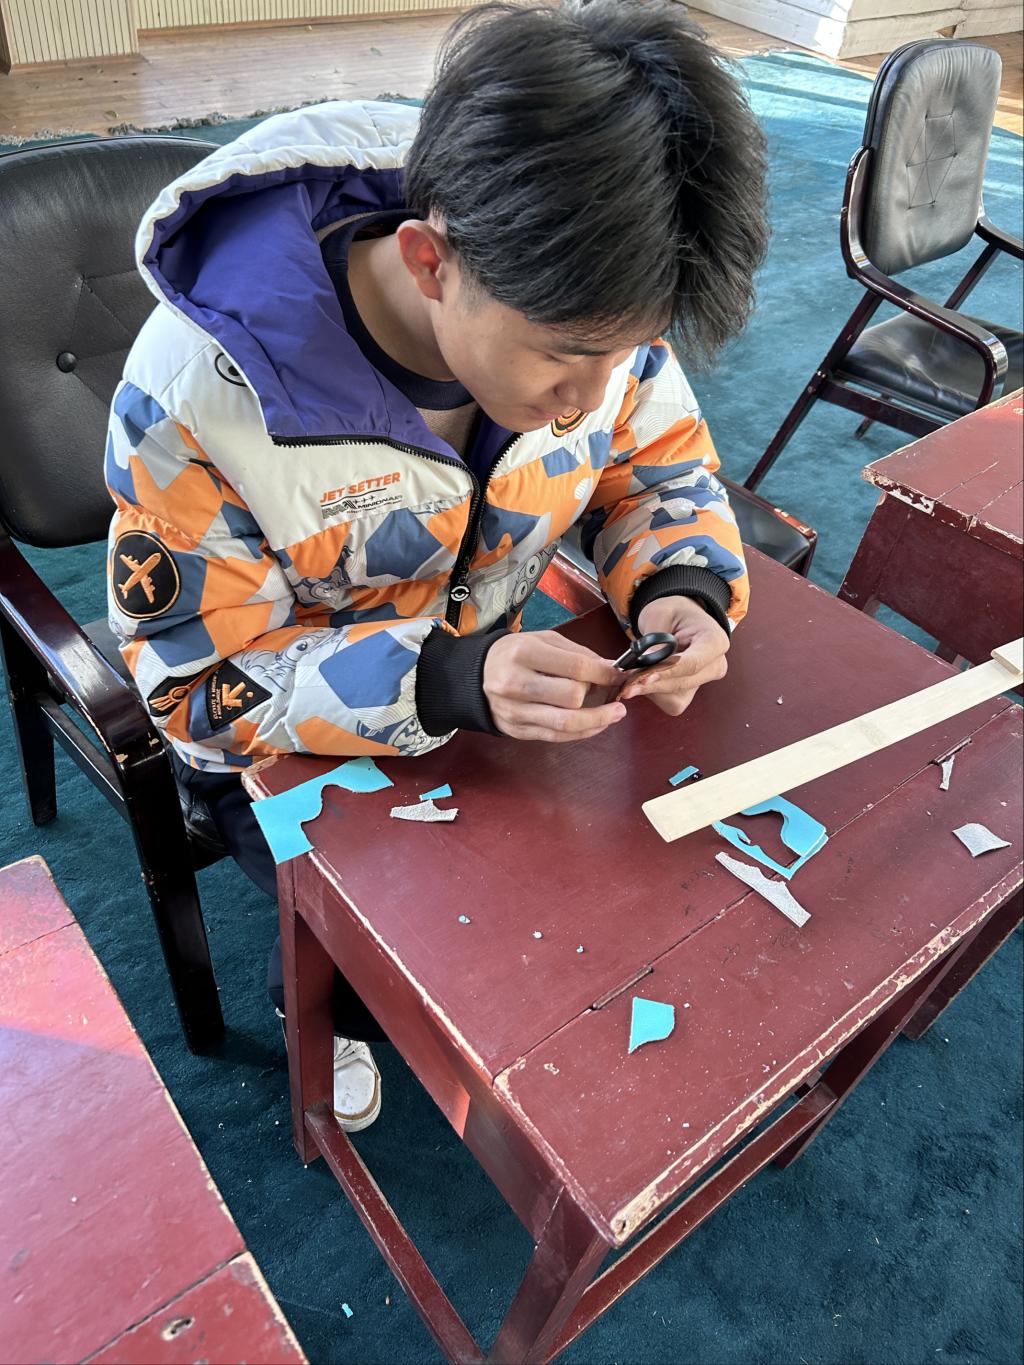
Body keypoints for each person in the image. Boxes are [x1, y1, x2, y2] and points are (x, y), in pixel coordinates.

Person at [104, 0, 768, 1130]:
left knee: (603, 916)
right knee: (390, 964)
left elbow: (656, 472)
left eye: (624, 354)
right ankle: (319, 996)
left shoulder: (586, 296)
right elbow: (198, 693)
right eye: (566, 358)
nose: (591, 396)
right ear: (429, 260)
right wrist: (441, 679)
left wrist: (684, 587)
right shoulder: (196, 395)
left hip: (494, 691)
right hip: (285, 746)